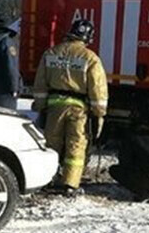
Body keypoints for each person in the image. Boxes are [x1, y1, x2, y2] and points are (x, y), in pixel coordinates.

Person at [32, 19, 108, 195]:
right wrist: (99, 114)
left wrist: (41, 107)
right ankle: (70, 184)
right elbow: (98, 89)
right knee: (76, 146)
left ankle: (47, 178)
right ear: (88, 37)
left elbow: (40, 84)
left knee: (52, 144)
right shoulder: (90, 58)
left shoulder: (50, 53)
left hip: (54, 108)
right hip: (78, 110)